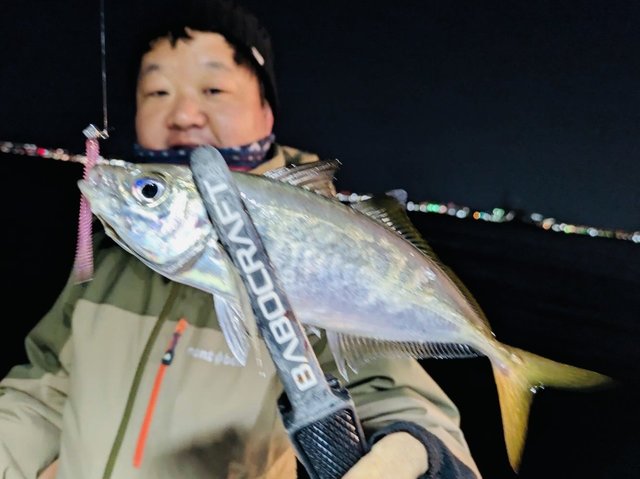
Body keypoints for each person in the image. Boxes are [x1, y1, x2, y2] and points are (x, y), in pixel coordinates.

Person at [0, 0, 482, 477]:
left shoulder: (327, 245)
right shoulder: (110, 261)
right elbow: (44, 390)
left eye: (213, 88)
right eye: (157, 91)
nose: (184, 113)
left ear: (268, 111)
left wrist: (419, 455)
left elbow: (398, 400)